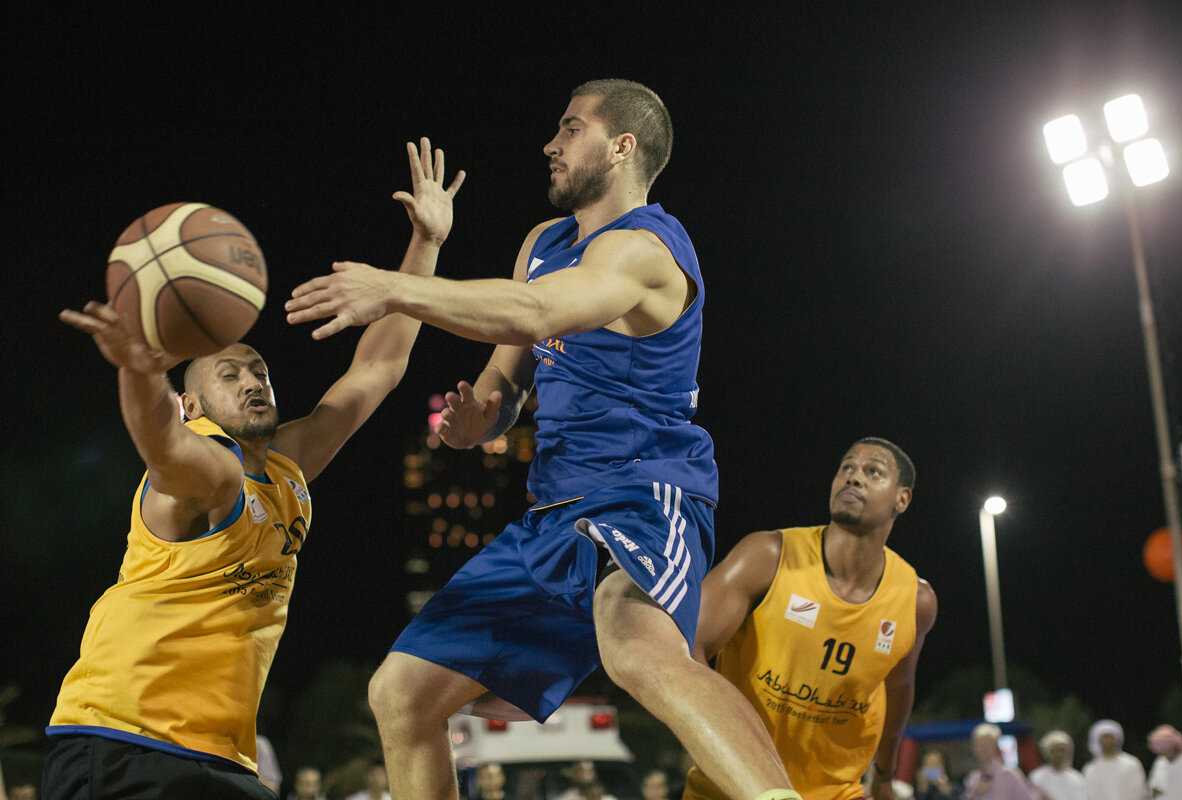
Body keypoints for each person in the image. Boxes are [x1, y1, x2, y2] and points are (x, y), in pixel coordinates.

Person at [285, 79, 798, 800]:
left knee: (636, 647)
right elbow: (510, 371)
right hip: (553, 516)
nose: (549, 145)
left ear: (622, 147)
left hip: (644, 492)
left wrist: (394, 287)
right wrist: (482, 419)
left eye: (570, 128)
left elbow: (532, 313)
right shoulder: (543, 244)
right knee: (400, 694)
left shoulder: (646, 250)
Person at [41, 138, 465, 800]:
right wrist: (139, 375)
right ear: (192, 403)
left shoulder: (287, 468)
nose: (251, 381)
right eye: (228, 374)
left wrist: (425, 248)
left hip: (215, 756)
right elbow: (162, 445)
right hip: (125, 741)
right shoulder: (212, 468)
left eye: (258, 370)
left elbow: (377, 368)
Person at [681, 438, 936, 800]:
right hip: (731, 790)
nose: (853, 478)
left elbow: (898, 689)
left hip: (836, 793)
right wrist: (719, 742)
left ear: (902, 499)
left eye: (872, 472)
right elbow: (687, 645)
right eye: (846, 468)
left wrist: (883, 776)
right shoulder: (767, 556)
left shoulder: (916, 600)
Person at [963, 724, 1035, 800]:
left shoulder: (1009, 774)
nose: (983, 749)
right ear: (974, 747)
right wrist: (975, 792)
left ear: (995, 746)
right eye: (979, 744)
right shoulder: (973, 778)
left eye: (987, 744)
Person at [1081, 720, 1146, 800]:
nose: (1107, 741)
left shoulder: (1131, 764)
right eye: (1104, 737)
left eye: (1110, 737)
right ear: (1098, 741)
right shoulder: (1090, 769)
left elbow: (1137, 793)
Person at [1146, 725, 1182, 800]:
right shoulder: (1160, 762)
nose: (1163, 754)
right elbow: (1153, 787)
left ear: (1174, 747)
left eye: (1165, 750)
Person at [1028, 731, 1085, 800]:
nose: (1060, 754)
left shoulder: (1076, 778)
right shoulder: (1036, 777)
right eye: (1056, 750)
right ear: (1048, 752)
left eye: (1063, 750)